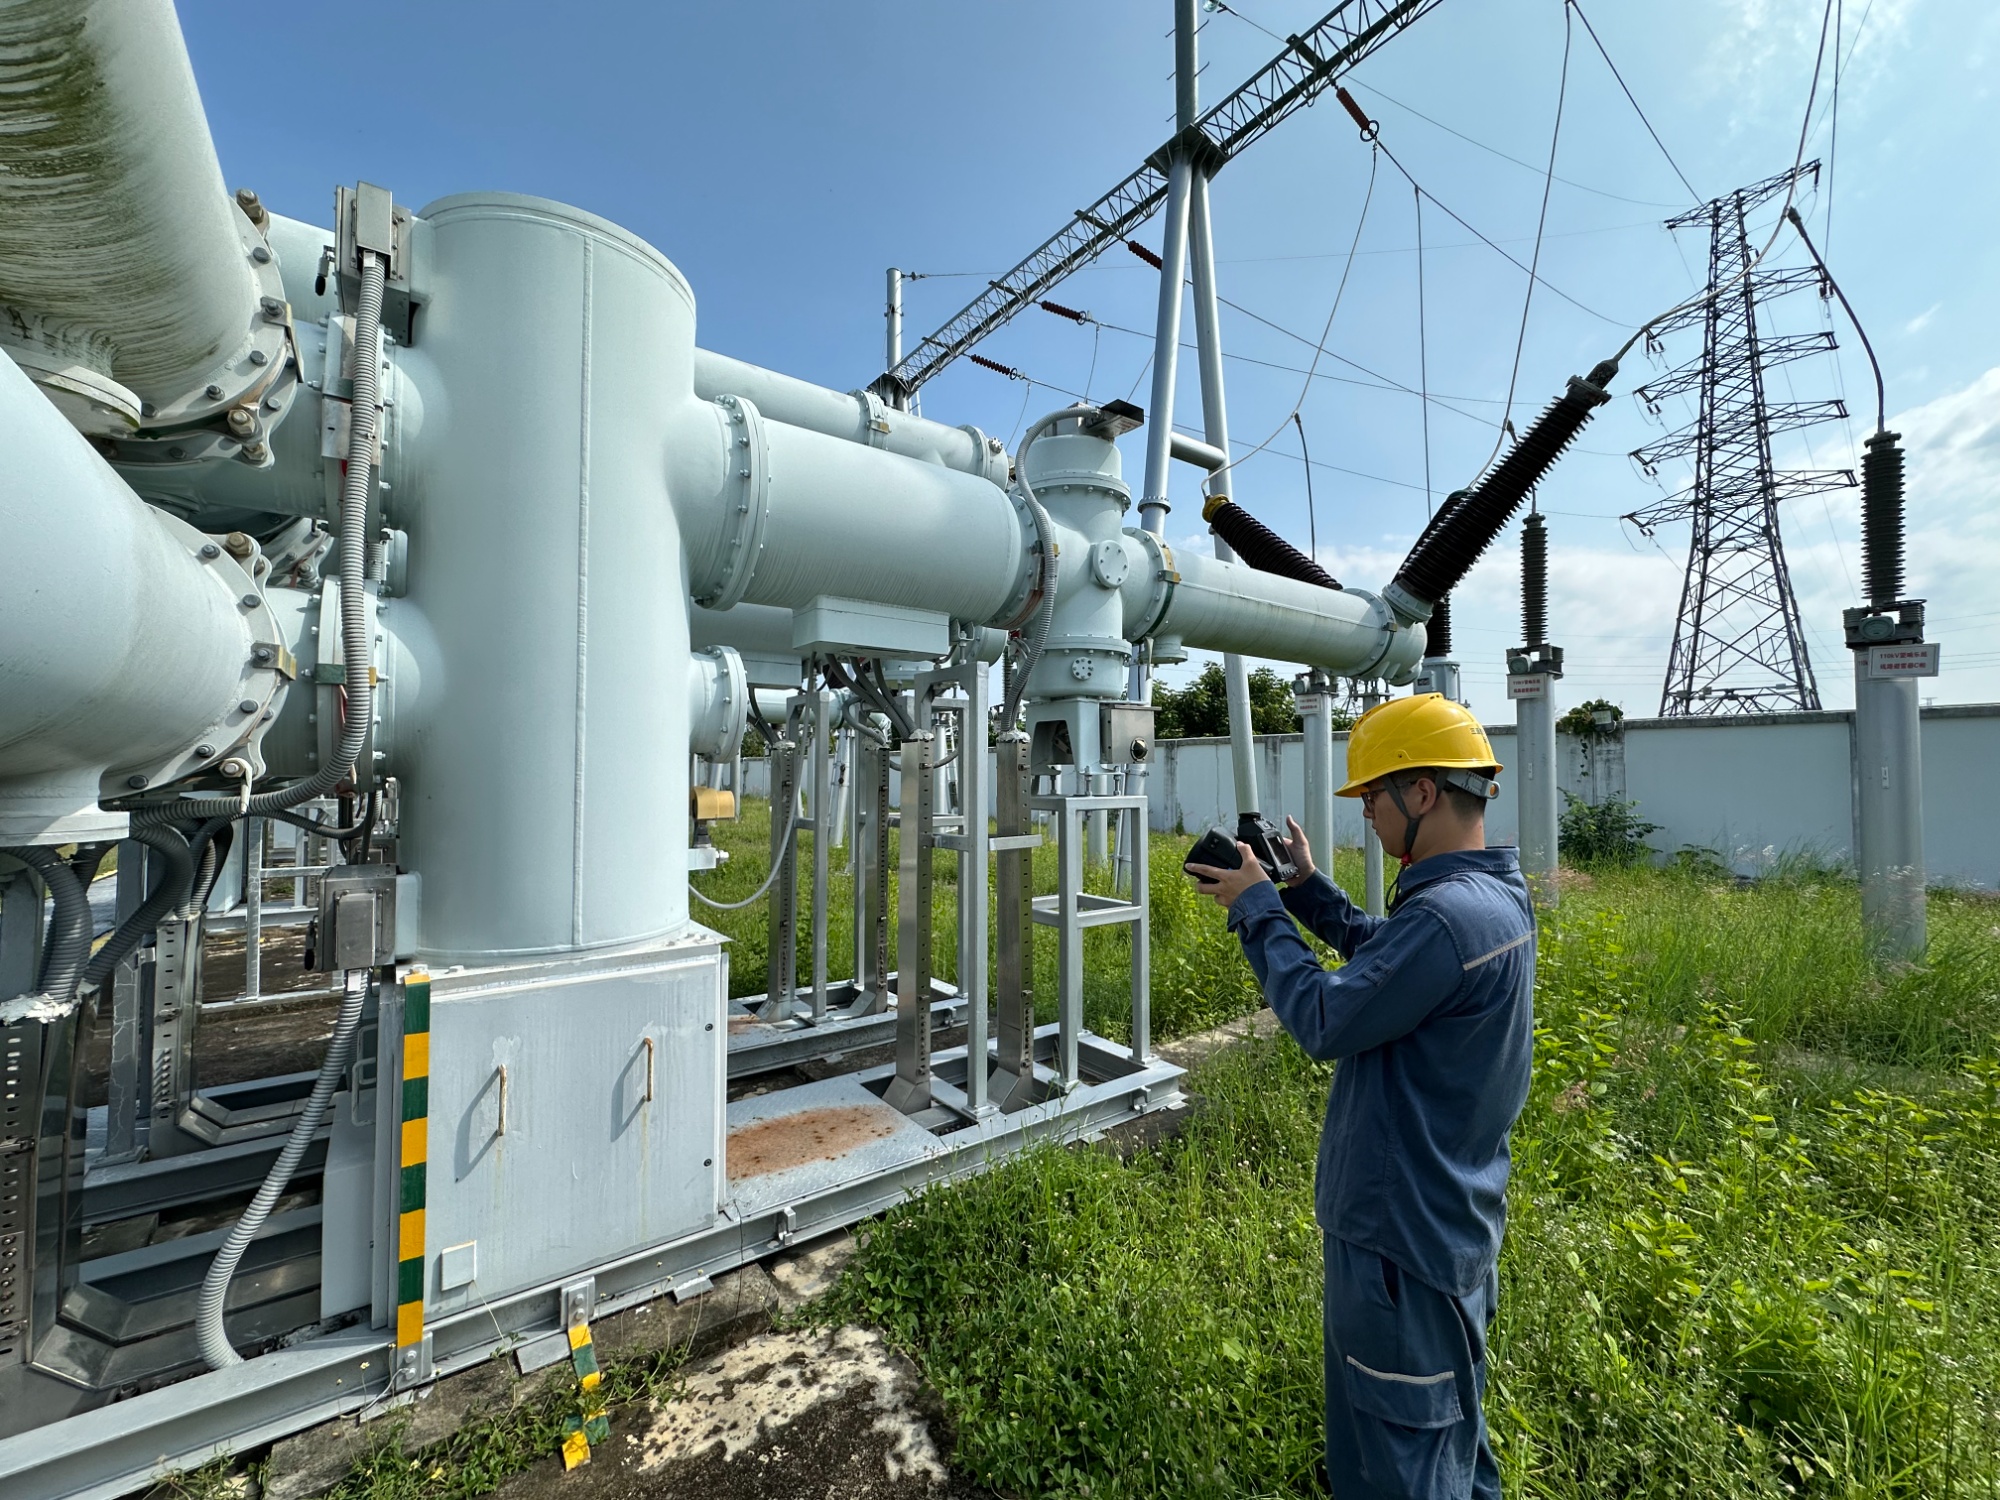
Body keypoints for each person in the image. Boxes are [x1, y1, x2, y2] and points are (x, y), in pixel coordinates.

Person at [1183, 693, 1534, 1500]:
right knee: (1450, 1440)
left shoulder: (1446, 918)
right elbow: (1390, 957)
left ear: (1421, 793)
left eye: (1373, 797)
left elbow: (1324, 1016)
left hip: (1398, 1250)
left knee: (1402, 1464)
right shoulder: (1490, 900)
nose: (1367, 814)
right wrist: (1304, 890)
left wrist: (1257, 910)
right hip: (1449, 1226)